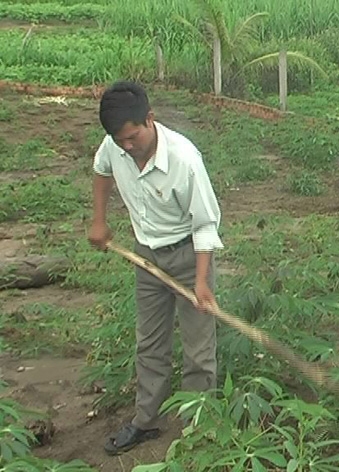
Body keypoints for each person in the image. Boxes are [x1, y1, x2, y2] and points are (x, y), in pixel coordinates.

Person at [87, 81, 223, 455]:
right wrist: (99, 221)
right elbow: (101, 170)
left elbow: (206, 225)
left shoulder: (184, 160)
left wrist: (200, 282)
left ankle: (199, 426)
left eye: (133, 137)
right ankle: (146, 420)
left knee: (197, 348)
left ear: (150, 119)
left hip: (187, 257)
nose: (127, 147)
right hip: (145, 256)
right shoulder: (114, 145)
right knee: (150, 343)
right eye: (120, 141)